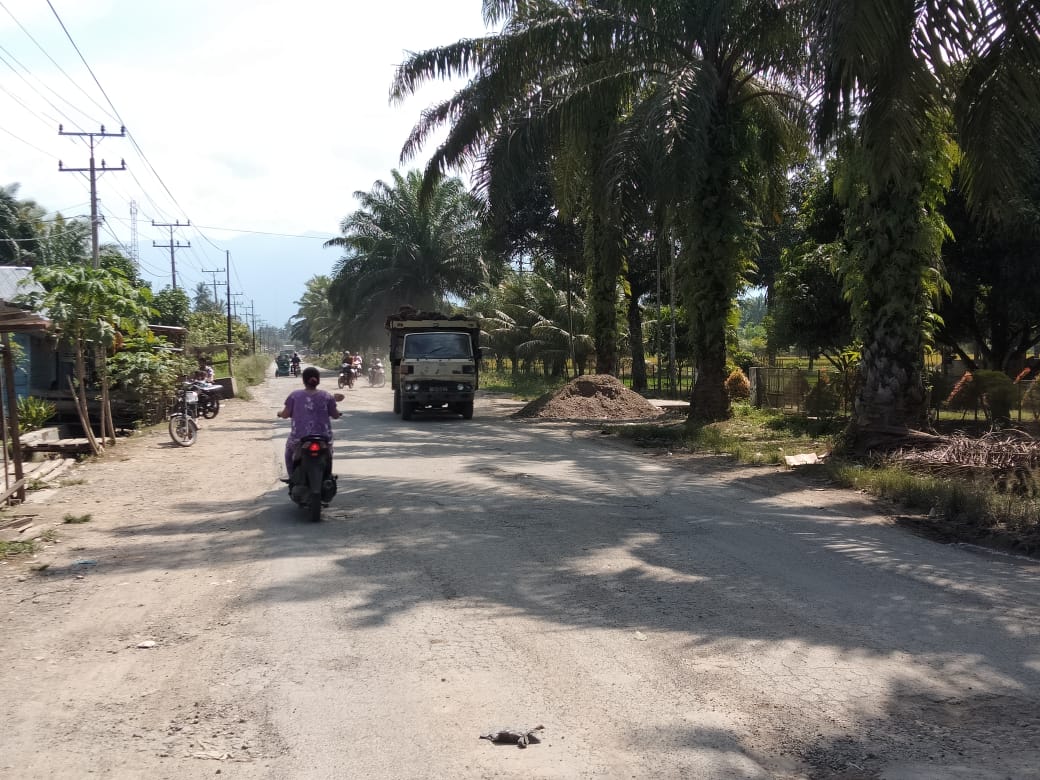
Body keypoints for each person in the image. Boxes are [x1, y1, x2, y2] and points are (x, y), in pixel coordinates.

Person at [276, 367, 344, 478]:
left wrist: (279, 413)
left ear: (304, 380)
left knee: (289, 453)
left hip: (299, 438)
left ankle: (292, 478)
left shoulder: (294, 395)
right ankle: (328, 474)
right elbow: (335, 415)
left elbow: (285, 414)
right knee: (329, 453)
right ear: (318, 380)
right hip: (323, 438)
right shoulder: (327, 396)